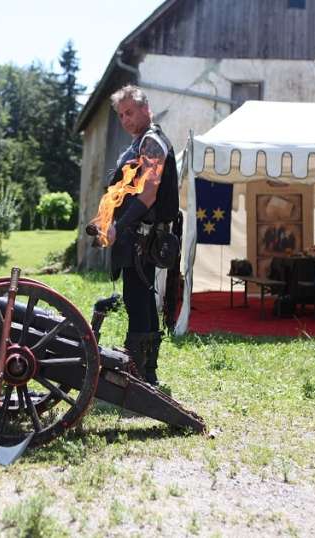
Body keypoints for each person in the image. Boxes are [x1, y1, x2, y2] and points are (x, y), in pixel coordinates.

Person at [103, 85, 178, 386]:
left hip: (142, 237)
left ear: (146, 109)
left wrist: (119, 227)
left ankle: (139, 372)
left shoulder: (152, 142)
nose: (125, 119)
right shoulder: (137, 144)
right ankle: (146, 372)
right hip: (133, 236)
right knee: (140, 299)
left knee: (138, 300)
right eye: (121, 115)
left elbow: (147, 195)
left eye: (130, 112)